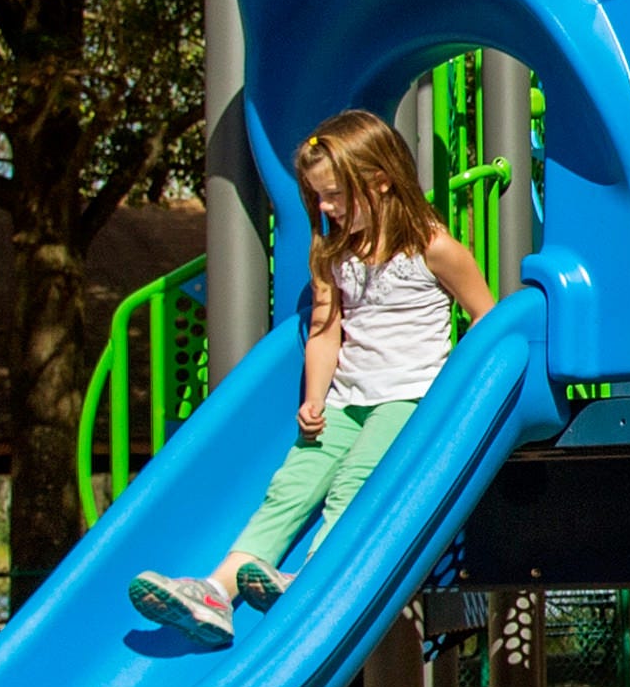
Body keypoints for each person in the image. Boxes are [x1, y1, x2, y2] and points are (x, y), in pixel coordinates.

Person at [128, 112, 493, 643]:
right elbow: (325, 333)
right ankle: (215, 592)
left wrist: (456, 397)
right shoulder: (334, 252)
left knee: (353, 483)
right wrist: (314, 397)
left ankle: (315, 578)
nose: (325, 209)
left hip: (409, 400)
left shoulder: (431, 247)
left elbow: (485, 316)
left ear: (381, 180)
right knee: (289, 488)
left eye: (335, 196)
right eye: (317, 198)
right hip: (346, 398)